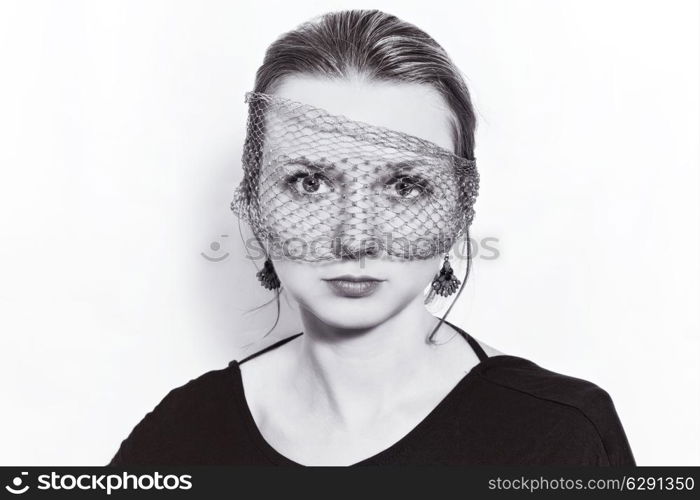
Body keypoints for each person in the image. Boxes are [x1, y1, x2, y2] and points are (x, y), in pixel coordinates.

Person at [107, 9, 636, 466]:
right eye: (308, 183)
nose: (355, 238)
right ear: (254, 201)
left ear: (459, 206)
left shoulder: (560, 435)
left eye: (404, 186)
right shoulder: (177, 440)